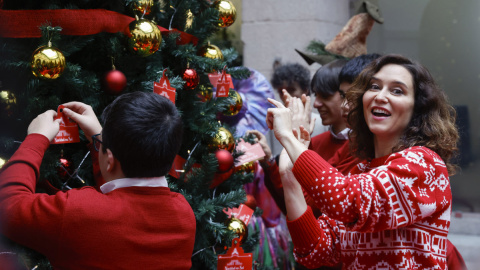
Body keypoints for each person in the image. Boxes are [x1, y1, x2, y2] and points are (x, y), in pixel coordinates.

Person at [267, 54, 459, 269]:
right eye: (374, 87)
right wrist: (288, 175)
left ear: (417, 108)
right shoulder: (360, 171)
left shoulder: (424, 163)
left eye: (397, 90)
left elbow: (348, 202)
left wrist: (291, 141)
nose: (380, 96)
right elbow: (316, 251)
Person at [0, 92, 196, 269]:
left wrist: (36, 138)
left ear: (109, 160)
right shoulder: (184, 214)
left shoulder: (78, 212)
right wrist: (98, 140)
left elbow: (8, 205)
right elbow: (121, 202)